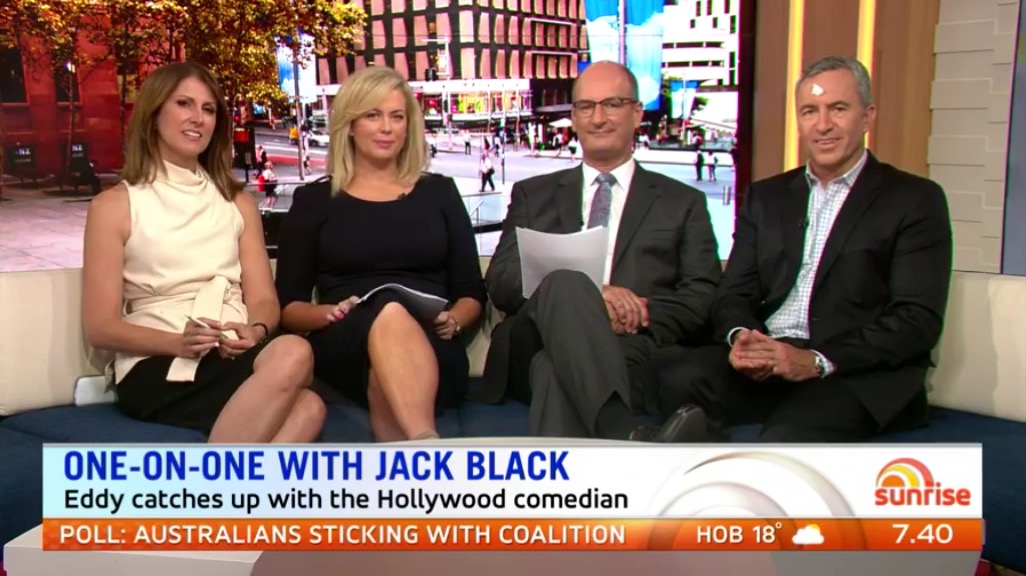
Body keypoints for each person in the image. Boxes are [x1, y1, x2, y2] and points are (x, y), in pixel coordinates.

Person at [652, 55, 953, 442]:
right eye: (810, 111)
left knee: (789, 434)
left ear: (867, 117)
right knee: (675, 378)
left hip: (854, 372)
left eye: (838, 109)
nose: (822, 124)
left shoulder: (914, 199)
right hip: (771, 360)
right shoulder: (767, 197)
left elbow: (916, 320)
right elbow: (734, 292)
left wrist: (815, 360)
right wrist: (743, 337)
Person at [476, 61, 722, 440]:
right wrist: (591, 299)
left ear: (637, 113)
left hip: (633, 347)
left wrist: (637, 312)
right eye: (586, 106)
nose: (598, 118)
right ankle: (623, 431)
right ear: (574, 117)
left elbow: (701, 297)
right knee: (566, 283)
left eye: (612, 104)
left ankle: (615, 439)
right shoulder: (532, 195)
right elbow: (502, 282)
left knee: (553, 369)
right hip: (533, 338)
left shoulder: (682, 202)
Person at [81, 61, 326, 443]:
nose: (198, 118)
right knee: (297, 364)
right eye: (184, 104)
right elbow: (101, 327)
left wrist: (256, 330)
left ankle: (217, 480)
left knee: (310, 405)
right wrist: (177, 342)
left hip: (228, 351)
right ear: (154, 114)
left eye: (208, 109)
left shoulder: (237, 202)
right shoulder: (114, 206)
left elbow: (264, 300)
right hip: (158, 359)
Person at [274, 66, 487, 442]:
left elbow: (471, 292)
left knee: (386, 358)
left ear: (408, 126)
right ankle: (425, 442)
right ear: (350, 125)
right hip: (343, 342)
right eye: (373, 115)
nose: (387, 128)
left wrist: (455, 319)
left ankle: (414, 453)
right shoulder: (314, 201)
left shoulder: (440, 193)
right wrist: (327, 313)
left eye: (397, 116)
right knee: (389, 310)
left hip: (431, 340)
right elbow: (289, 307)